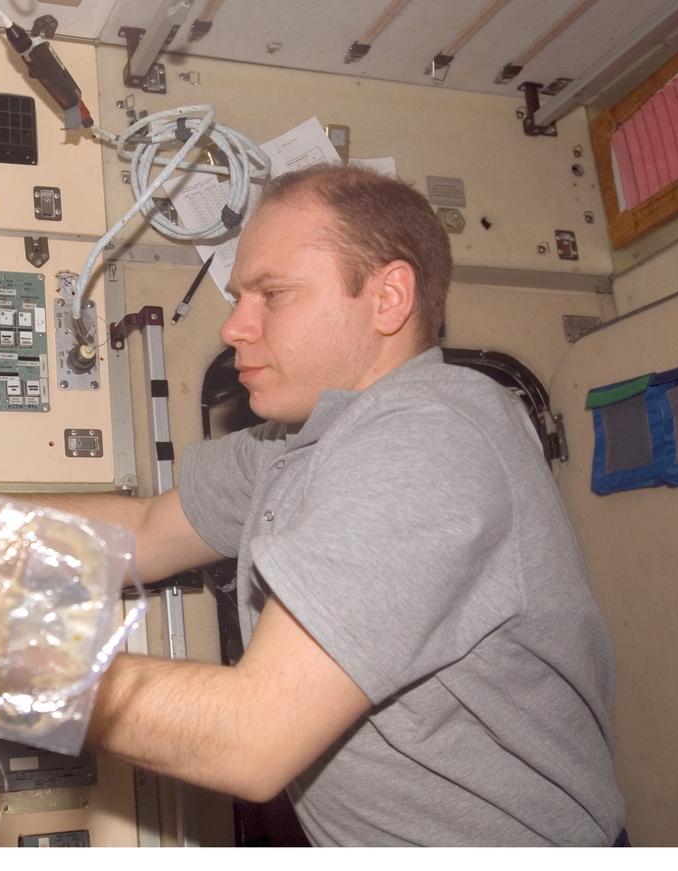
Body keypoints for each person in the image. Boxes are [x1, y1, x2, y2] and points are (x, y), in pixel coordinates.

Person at [40, 164, 626, 846]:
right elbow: (141, 529)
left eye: (272, 294)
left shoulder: (428, 437)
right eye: (238, 296)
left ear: (388, 298)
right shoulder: (302, 443)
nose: (234, 327)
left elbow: (249, 737)